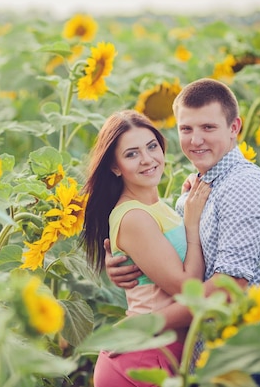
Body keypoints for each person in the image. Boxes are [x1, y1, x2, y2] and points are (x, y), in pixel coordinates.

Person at [104, 78, 260, 387]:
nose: (195, 140)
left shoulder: (243, 186)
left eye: (208, 127)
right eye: (186, 129)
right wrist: (129, 266)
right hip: (208, 359)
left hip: (249, 361)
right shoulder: (200, 188)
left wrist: (144, 326)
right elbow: (178, 259)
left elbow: (228, 288)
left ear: (234, 128)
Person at [80, 110, 211, 387]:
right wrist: (192, 224)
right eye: (131, 154)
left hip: (165, 352)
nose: (148, 159)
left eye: (151, 146)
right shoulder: (133, 217)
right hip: (144, 357)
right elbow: (188, 287)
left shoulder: (158, 207)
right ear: (115, 167)